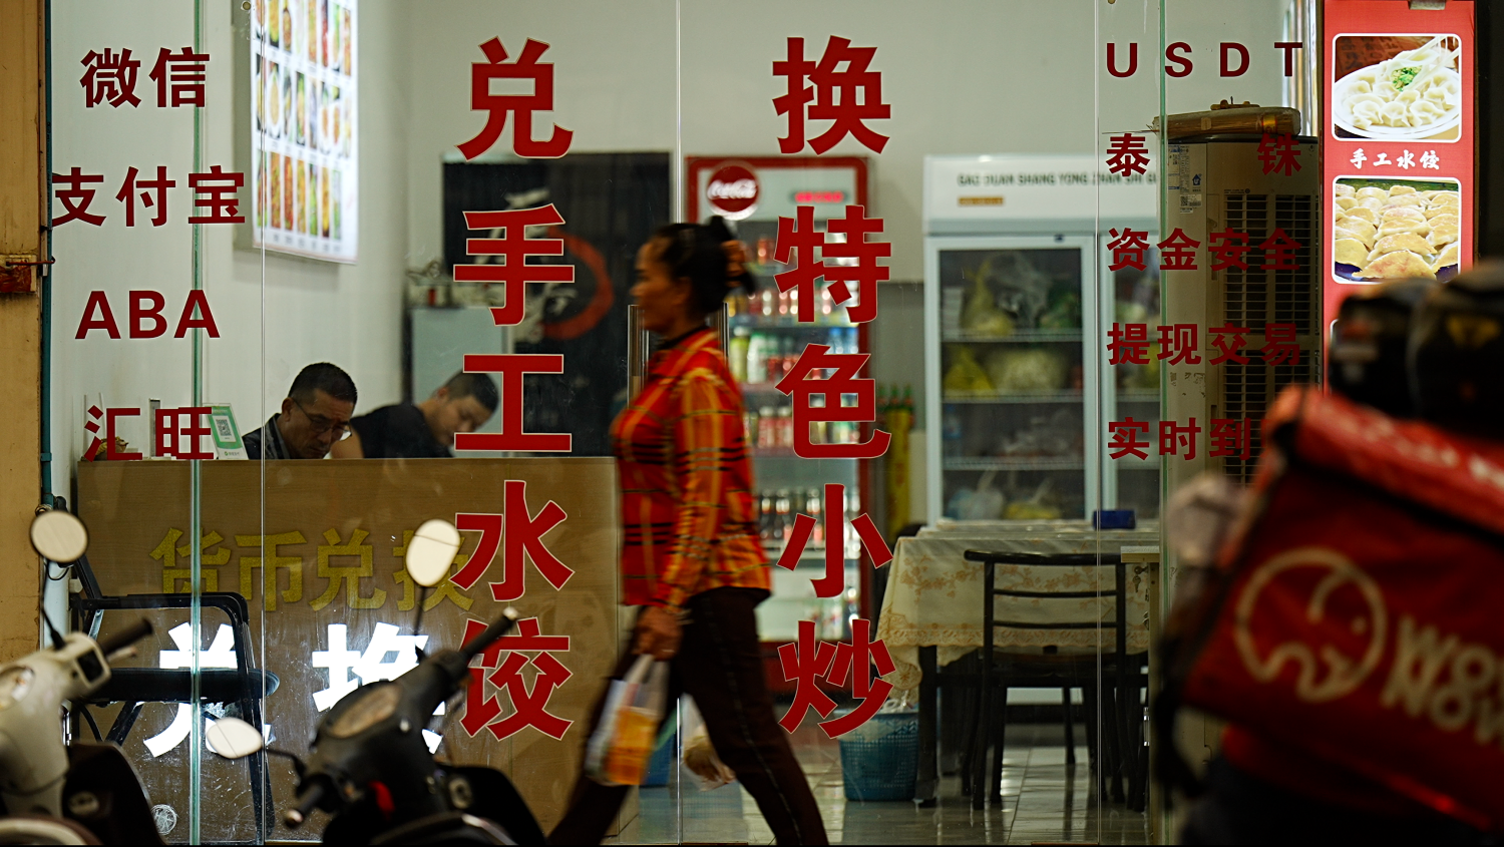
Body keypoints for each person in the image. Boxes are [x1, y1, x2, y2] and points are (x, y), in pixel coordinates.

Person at [548, 219, 828, 846]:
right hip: (680, 598)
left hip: (705, 595)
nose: (637, 289)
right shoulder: (674, 365)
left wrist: (669, 604)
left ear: (679, 290)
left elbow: (703, 504)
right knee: (617, 738)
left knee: (746, 741)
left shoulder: (698, 377)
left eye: (647, 276)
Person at [330, 371, 498, 459]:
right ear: (442, 394)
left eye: (475, 427)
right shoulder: (400, 419)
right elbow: (343, 436)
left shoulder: (443, 459)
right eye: (463, 415)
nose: (464, 431)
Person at [242, 362, 358, 460]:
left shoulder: (322, 472)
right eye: (318, 423)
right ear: (288, 409)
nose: (326, 440)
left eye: (338, 429)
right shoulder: (243, 459)